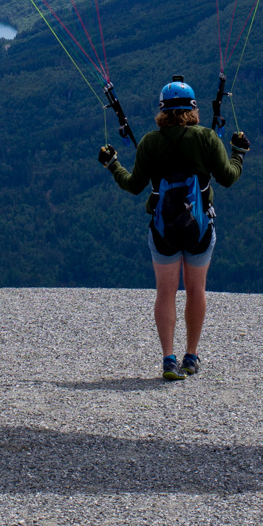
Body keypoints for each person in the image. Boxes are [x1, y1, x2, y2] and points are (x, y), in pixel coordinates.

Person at [98, 79, 249, 380]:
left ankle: (168, 359)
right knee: (196, 289)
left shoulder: (152, 142)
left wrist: (112, 163)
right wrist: (238, 152)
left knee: (166, 293)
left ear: (162, 110)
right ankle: (190, 357)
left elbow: (133, 185)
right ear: (193, 108)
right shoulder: (206, 138)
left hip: (163, 229)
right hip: (200, 228)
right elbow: (229, 177)